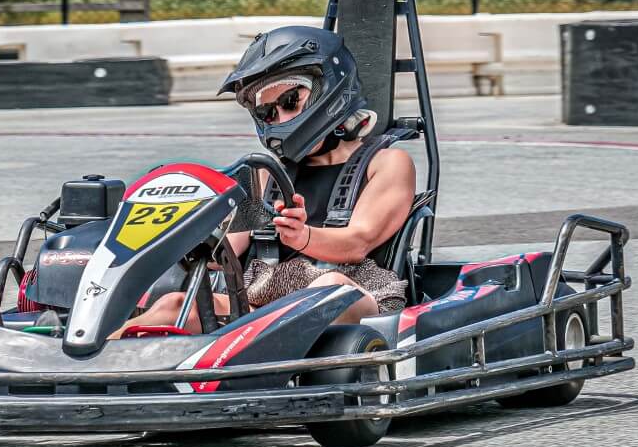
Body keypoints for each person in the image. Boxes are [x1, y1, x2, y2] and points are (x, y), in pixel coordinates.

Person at [118, 26, 416, 335]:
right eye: (268, 112)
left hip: (355, 294)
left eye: (289, 101)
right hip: (267, 301)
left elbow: (358, 243)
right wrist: (181, 231)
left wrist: (303, 237)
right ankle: (78, 368)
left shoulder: (386, 163)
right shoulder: (265, 172)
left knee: (329, 290)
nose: (281, 120)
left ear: (329, 89)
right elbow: (222, 254)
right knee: (174, 305)